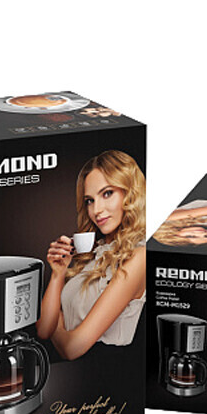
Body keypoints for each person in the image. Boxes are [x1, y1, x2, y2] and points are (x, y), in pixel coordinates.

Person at [36, 150, 146, 360]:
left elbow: (72, 348)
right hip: (72, 373)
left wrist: (57, 321)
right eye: (89, 200)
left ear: (130, 193)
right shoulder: (93, 252)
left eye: (107, 194)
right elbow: (42, 331)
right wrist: (58, 273)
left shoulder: (139, 257)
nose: (96, 210)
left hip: (110, 369)